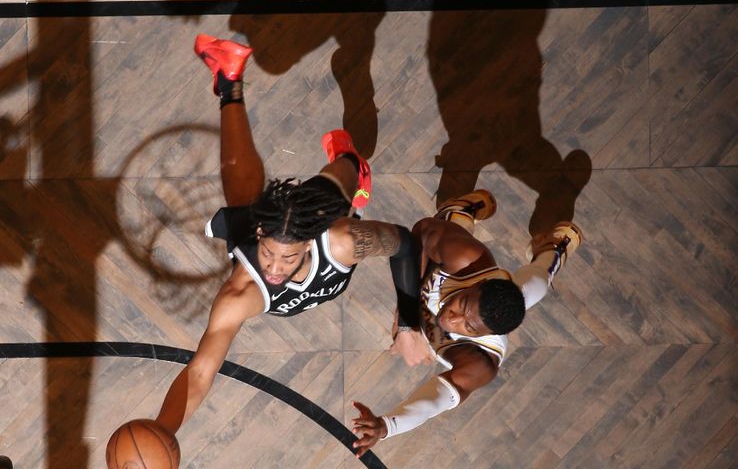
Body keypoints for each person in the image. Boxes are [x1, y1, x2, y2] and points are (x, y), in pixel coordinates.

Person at [153, 35, 427, 434]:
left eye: (288, 258)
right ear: (261, 239)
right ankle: (229, 80)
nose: (276, 268)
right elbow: (200, 373)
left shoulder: (343, 240)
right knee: (246, 203)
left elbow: (405, 242)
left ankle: (349, 162)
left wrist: (409, 324)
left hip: (321, 204)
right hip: (269, 219)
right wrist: (162, 430)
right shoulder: (242, 291)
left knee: (352, 161)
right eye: (269, 255)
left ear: (309, 244)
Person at [350, 190, 583, 456]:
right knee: (446, 237)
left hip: (498, 295)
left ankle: (552, 250)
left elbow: (435, 400)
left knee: (537, 282)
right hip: (456, 263)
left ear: (485, 335)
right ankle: (458, 214)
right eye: (461, 305)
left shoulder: (479, 361)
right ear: (477, 284)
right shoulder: (467, 257)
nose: (452, 319)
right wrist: (405, 317)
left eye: (468, 327)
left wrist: (386, 426)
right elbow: (421, 232)